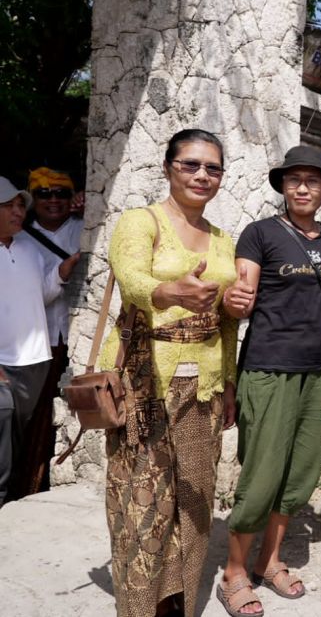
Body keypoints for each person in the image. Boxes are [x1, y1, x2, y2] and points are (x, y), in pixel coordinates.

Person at [99, 129, 238, 617]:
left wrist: (231, 383)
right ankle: (140, 606)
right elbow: (131, 277)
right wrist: (169, 292)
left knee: (195, 503)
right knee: (143, 504)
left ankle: (177, 601)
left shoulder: (223, 240)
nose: (202, 175)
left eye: (213, 168)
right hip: (145, 384)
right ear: (168, 167)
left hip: (204, 386)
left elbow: (224, 320)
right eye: (191, 165)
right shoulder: (141, 221)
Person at [217, 145, 321, 617]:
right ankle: (234, 571)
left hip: (315, 373)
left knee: (300, 473)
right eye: (294, 179)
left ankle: (268, 561)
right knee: (262, 472)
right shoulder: (260, 234)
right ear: (283, 186)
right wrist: (236, 298)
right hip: (269, 369)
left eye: (313, 180)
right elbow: (243, 290)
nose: (303, 187)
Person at [0, 176, 78, 507]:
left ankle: (14, 503)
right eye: (10, 205)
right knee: (2, 425)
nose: (19, 211)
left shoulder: (29, 247)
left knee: (19, 435)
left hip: (36, 360)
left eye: (21, 205)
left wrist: (62, 272)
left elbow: (41, 295)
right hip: (3, 362)